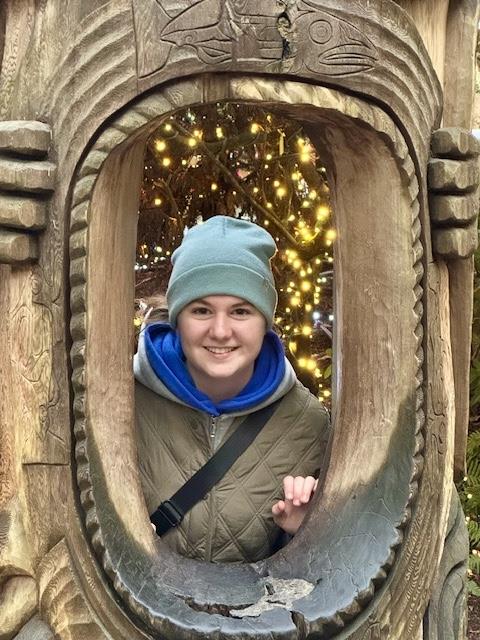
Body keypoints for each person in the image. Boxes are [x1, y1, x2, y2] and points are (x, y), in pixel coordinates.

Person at [134, 215, 330, 563]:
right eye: (201, 310)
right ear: (178, 319)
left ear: (264, 322)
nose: (221, 331)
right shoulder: (122, 401)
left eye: (240, 311)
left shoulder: (308, 425)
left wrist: (301, 533)